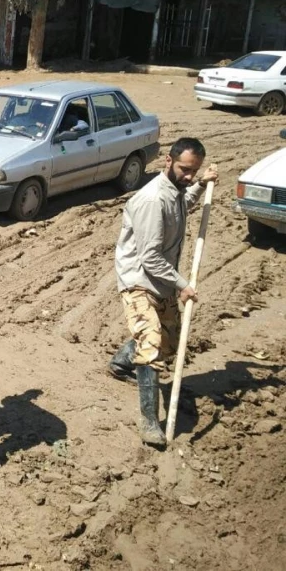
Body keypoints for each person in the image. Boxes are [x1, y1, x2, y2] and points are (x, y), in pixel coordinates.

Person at [109, 138, 218, 448]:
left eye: (194, 171)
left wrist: (200, 185)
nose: (189, 176)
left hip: (161, 280)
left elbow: (182, 205)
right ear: (168, 162)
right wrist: (183, 285)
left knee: (167, 342)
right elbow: (150, 258)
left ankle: (120, 362)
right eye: (185, 170)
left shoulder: (175, 192)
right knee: (152, 346)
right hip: (139, 279)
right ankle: (149, 422)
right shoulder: (153, 199)